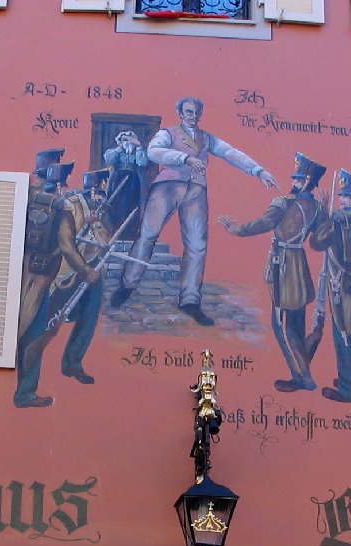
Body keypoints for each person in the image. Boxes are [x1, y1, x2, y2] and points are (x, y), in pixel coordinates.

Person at [110, 97, 279, 326]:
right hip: (167, 188)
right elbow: (153, 152)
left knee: (197, 246)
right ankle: (127, 285)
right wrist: (185, 158)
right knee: (147, 235)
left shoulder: (206, 138)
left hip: (196, 191)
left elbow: (231, 153)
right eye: (189, 112)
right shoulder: (168, 134)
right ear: (180, 113)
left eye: (197, 112)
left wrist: (259, 171)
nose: (193, 116)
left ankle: (190, 300)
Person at [219, 154, 327, 392]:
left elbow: (263, 224)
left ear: (307, 181)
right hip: (300, 265)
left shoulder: (283, 203)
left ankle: (303, 377)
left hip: (283, 266)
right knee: (296, 324)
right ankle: (305, 369)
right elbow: (320, 240)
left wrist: (235, 229)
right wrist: (327, 212)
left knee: (282, 326)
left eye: (299, 179)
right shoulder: (318, 208)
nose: (294, 182)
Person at [14, 154, 109, 409]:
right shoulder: (61, 206)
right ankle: (25, 393)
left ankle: (62, 368)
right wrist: (85, 270)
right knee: (36, 333)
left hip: (20, 274)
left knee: (26, 330)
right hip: (44, 277)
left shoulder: (22, 198)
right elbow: (67, 245)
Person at [309, 167, 351, 404]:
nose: (341, 199)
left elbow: (317, 242)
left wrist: (324, 214)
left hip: (342, 285)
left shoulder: (338, 219)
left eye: (345, 195)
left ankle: (349, 390)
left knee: (345, 334)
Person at [103, 130, 147, 239]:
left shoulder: (138, 152)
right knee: (116, 205)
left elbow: (142, 163)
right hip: (118, 179)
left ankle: (129, 234)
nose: (127, 142)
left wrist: (138, 146)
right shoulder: (114, 152)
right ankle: (114, 232)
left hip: (132, 182)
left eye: (130, 140)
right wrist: (120, 147)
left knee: (131, 205)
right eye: (124, 139)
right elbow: (109, 160)